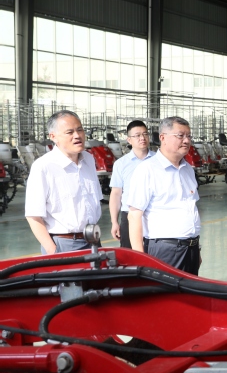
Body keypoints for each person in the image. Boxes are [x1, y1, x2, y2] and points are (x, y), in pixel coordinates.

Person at [127, 116, 202, 275]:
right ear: (163, 137)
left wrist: (197, 249)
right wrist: (140, 258)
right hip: (165, 251)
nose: (186, 140)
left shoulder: (188, 169)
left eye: (189, 136)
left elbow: (191, 209)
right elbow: (134, 216)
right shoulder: (147, 170)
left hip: (191, 249)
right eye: (180, 136)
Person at [25, 110, 102, 254]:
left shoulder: (88, 159)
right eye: (69, 132)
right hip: (64, 244)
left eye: (80, 130)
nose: (77, 135)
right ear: (53, 137)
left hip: (94, 240)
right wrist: (53, 251)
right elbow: (33, 215)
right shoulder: (43, 166)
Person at [109, 120, 155, 249]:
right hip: (129, 216)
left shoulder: (159, 160)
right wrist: (114, 222)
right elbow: (116, 194)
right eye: (137, 135)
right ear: (129, 140)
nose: (142, 138)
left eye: (145, 134)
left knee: (155, 254)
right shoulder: (121, 164)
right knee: (131, 255)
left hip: (154, 214)